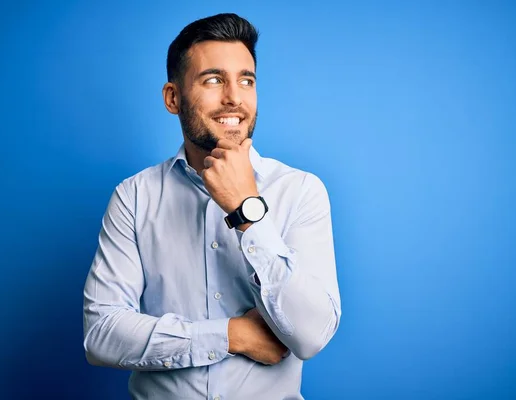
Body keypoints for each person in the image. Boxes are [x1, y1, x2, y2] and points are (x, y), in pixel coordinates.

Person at [83, 13, 342, 400]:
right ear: (174, 98)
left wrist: (246, 209)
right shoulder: (133, 197)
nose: (234, 97)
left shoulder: (301, 191)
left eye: (246, 80)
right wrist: (229, 336)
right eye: (214, 79)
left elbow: (311, 336)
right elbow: (101, 334)